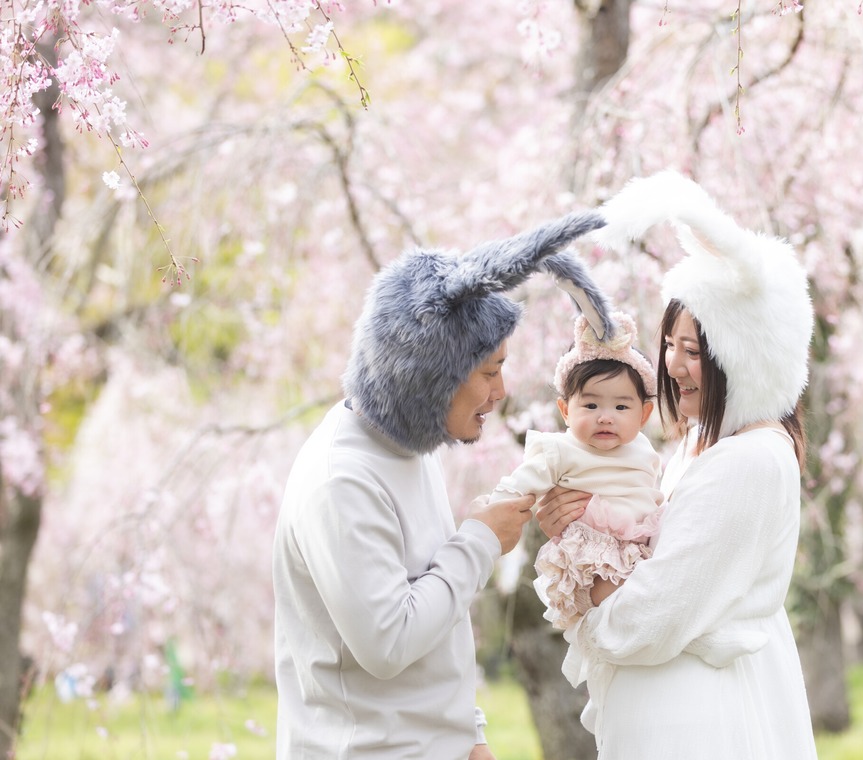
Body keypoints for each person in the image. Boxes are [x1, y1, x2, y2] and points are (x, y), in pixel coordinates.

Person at [272, 209, 615, 760]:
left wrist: (468, 732)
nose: (501, 391)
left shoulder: (410, 446)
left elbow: (435, 608)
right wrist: (480, 541)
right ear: (432, 376)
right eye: (489, 371)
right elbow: (389, 642)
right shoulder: (342, 482)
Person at [537, 170, 819, 759]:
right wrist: (580, 523)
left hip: (699, 720)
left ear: (743, 358)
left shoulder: (748, 461)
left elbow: (656, 613)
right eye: (670, 344)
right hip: (676, 710)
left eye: (693, 351)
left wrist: (586, 593)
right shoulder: (702, 446)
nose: (671, 365)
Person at [490, 310, 663, 630]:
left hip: (637, 549)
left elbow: (650, 489)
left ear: (644, 414)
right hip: (589, 553)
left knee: (645, 605)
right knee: (620, 606)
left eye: (621, 406)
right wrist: (497, 505)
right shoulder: (561, 449)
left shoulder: (644, 450)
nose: (605, 417)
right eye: (591, 405)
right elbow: (523, 481)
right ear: (565, 410)